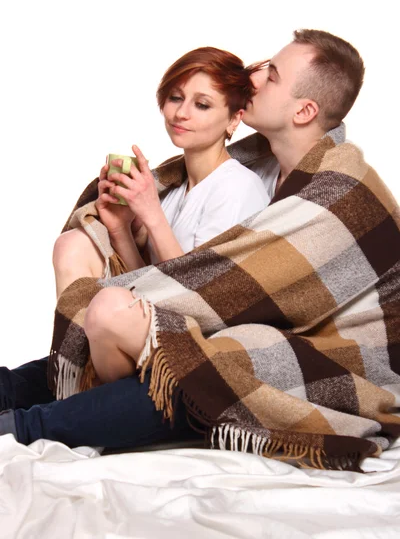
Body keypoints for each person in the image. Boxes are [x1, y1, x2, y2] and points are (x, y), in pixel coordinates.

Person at [1, 30, 398, 459]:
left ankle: (27, 426)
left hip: (340, 357)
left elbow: (220, 295)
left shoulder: (338, 191)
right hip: (249, 328)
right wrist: (122, 228)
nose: (255, 77)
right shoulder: (265, 165)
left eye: (273, 75)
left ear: (304, 110)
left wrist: (143, 232)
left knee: (204, 365)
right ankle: (21, 395)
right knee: (125, 313)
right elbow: (204, 285)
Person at [52, 47, 270, 384]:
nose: (181, 113)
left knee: (108, 305)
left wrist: (151, 213)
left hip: (201, 346)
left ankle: (105, 403)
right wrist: (121, 228)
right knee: (71, 244)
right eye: (175, 97)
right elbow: (151, 287)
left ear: (234, 119)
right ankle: (82, 382)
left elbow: (198, 296)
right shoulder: (177, 187)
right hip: (151, 334)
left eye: (202, 104)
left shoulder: (238, 187)